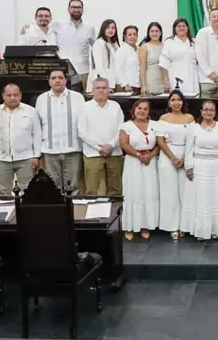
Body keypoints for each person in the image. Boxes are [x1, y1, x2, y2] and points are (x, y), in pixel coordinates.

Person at [181, 100, 218, 240]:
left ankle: (216, 228)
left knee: (216, 197)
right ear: (201, 112)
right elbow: (189, 149)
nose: (209, 112)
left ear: (215, 112)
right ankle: (201, 231)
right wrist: (189, 166)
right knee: (201, 198)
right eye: (206, 109)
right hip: (199, 167)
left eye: (211, 110)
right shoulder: (193, 128)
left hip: (216, 167)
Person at [35, 68, 86, 194]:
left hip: (73, 150)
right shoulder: (41, 99)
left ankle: (73, 213)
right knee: (53, 188)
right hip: (50, 151)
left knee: (73, 187)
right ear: (49, 81)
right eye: (53, 78)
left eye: (60, 77)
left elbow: (84, 123)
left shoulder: (77, 98)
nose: (57, 80)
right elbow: (38, 127)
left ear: (66, 80)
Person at [0, 83, 41, 195]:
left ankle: (24, 213)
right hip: (2, 159)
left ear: (20, 96)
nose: (12, 98)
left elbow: (37, 134)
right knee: (4, 192)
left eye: (15, 95)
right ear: (3, 96)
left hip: (26, 158)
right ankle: (7, 212)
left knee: (27, 192)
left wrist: (36, 155)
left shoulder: (30, 111)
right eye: (9, 95)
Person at [119, 99, 161, 241]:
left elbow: (159, 144)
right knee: (134, 193)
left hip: (150, 161)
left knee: (149, 192)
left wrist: (150, 155)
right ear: (134, 110)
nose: (142, 111)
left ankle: (145, 225)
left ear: (149, 112)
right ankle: (130, 227)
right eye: (139, 108)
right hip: (133, 162)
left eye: (145, 109)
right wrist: (138, 155)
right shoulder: (126, 126)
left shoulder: (155, 125)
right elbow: (123, 144)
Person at [157, 90, 195, 239]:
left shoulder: (189, 118)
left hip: (185, 156)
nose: (176, 102)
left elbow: (192, 140)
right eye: (173, 100)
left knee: (185, 193)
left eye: (179, 100)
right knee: (169, 193)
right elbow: (160, 140)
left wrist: (184, 158)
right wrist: (173, 158)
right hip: (167, 156)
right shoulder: (163, 118)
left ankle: (185, 225)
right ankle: (172, 226)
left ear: (183, 102)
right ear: (169, 103)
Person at [77, 78, 124, 196]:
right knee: (92, 190)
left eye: (104, 88)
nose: (101, 90)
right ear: (92, 90)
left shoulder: (116, 106)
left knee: (115, 190)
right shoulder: (84, 107)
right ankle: (94, 214)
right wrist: (100, 148)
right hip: (93, 154)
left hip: (114, 153)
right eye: (98, 88)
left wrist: (111, 145)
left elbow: (122, 129)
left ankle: (114, 214)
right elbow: (82, 132)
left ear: (108, 90)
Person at [54, 0, 96, 89]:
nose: (76, 9)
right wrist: (28, 27)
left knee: (81, 98)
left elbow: (95, 49)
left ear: (82, 10)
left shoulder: (89, 28)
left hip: (83, 71)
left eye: (79, 7)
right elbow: (44, 28)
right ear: (68, 9)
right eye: (73, 7)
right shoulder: (59, 25)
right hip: (63, 70)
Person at [160, 18, 200, 95]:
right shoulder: (169, 42)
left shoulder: (194, 42)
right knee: (177, 98)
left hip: (192, 76)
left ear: (187, 28)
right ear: (175, 28)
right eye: (179, 26)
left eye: (183, 26)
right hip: (175, 75)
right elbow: (163, 62)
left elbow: (200, 60)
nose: (181, 28)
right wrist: (166, 80)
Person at [87, 19, 119, 93]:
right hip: (101, 84)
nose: (110, 30)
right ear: (103, 29)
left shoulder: (115, 44)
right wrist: (105, 85)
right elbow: (99, 67)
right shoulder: (99, 43)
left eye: (113, 28)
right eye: (108, 27)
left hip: (113, 82)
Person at [139, 22, 166, 95]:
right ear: (148, 33)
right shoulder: (144, 47)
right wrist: (144, 85)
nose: (154, 33)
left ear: (160, 32)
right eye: (152, 31)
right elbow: (142, 67)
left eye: (157, 31)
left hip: (163, 80)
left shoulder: (165, 46)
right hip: (150, 80)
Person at [115, 25, 141, 93]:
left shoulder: (140, 50)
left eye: (134, 34)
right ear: (125, 36)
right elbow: (118, 69)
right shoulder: (121, 50)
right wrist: (125, 84)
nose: (132, 36)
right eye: (130, 35)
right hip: (126, 87)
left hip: (138, 87)